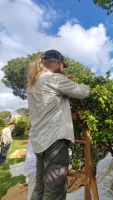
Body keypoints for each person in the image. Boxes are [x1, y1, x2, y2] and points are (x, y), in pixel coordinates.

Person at [27, 49, 89, 200]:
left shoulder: (34, 82)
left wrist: (64, 82)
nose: (63, 68)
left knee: (40, 187)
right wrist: (83, 85)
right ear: (56, 62)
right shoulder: (53, 78)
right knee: (55, 190)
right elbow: (83, 92)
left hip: (40, 142)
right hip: (54, 141)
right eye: (62, 65)